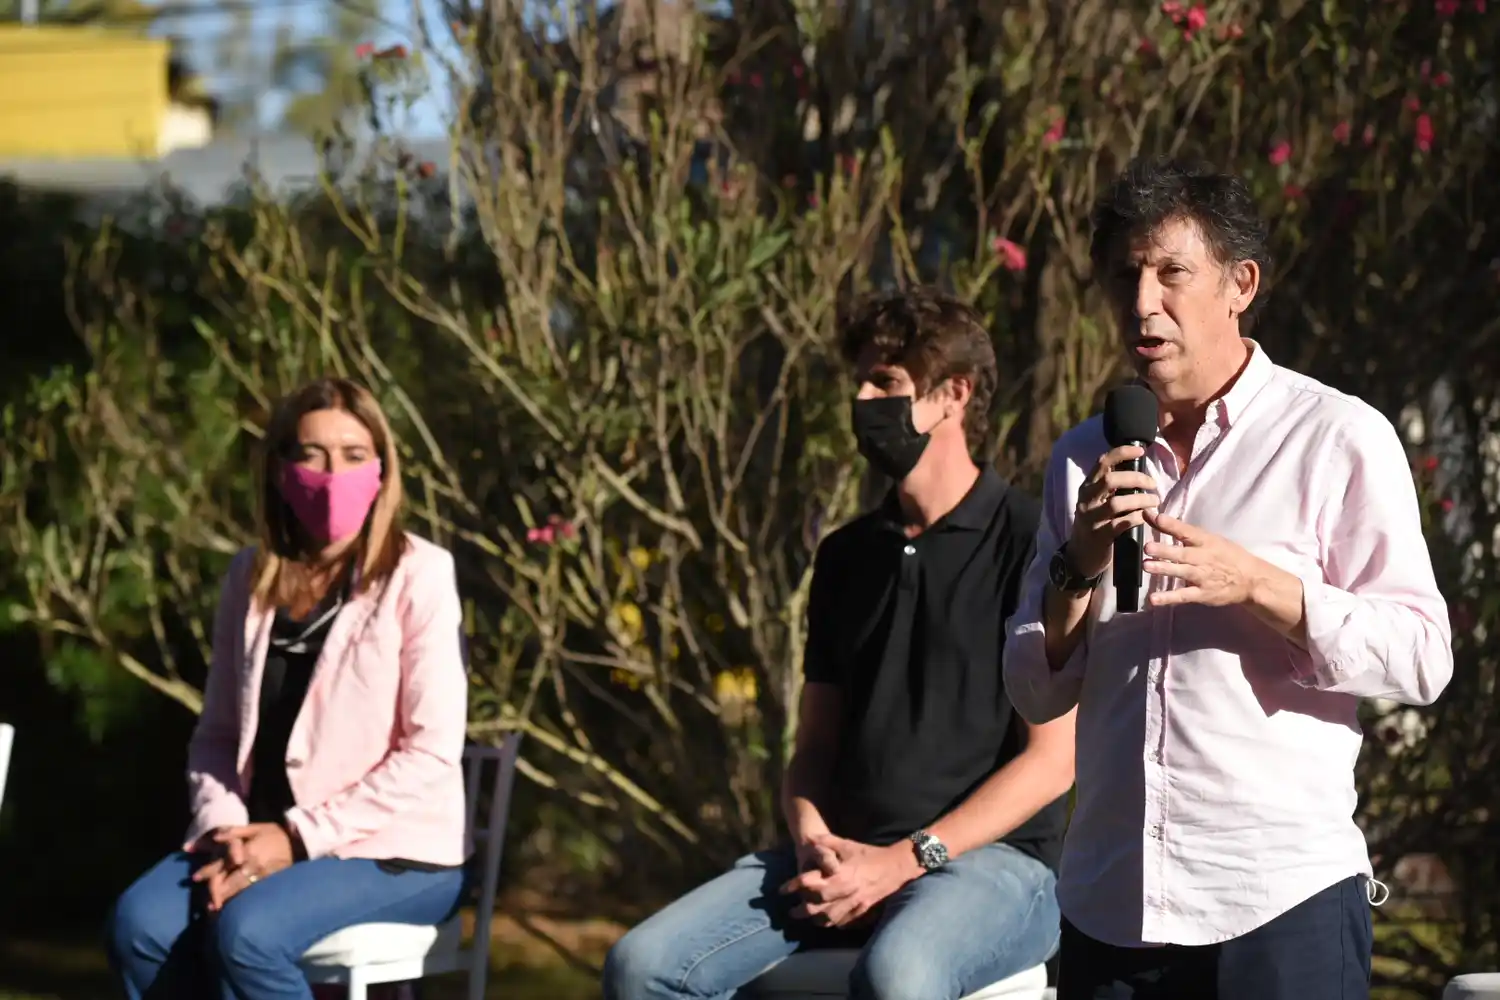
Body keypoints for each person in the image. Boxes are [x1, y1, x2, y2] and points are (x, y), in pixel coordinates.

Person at [1003, 157, 1454, 1000]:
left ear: (1241, 282)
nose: (1142, 302)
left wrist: (1260, 586)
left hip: (1276, 903)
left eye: (1172, 273)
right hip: (1112, 905)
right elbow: (1033, 691)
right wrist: (1079, 565)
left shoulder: (1334, 437)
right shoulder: (1082, 457)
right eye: (1126, 276)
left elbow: (1423, 657)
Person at [604, 288, 1076, 1000]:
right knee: (641, 969)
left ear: (954, 395)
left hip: (991, 866)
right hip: (838, 859)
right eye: (860, 380)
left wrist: (902, 863)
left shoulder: (1029, 542)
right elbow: (813, 750)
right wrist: (809, 832)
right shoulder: (847, 556)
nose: (862, 399)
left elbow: (1051, 763)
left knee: (898, 976)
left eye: (885, 382)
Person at [107, 378, 471, 1000]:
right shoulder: (248, 577)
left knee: (249, 935)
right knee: (139, 924)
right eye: (313, 455)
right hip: (258, 836)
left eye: (355, 456)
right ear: (280, 470)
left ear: (382, 470)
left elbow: (431, 753)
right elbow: (217, 735)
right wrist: (226, 835)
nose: (334, 474)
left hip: (394, 853)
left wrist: (296, 837)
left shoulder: (421, 574)